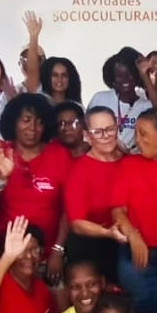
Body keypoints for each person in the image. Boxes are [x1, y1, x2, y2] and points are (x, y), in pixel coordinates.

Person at [0, 92, 69, 274]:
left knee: (57, 300)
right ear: (14, 122)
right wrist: (2, 178)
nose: (32, 127)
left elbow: (69, 209)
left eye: (39, 122)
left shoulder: (59, 155)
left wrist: (57, 251)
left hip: (47, 255)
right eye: (26, 120)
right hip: (7, 256)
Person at [113, 110, 157, 313]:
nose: (137, 140)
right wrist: (133, 235)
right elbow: (117, 211)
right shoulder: (129, 165)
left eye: (143, 134)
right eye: (136, 134)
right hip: (136, 255)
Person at [64, 105, 127, 278]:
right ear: (87, 136)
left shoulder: (129, 162)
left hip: (127, 245)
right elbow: (77, 223)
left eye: (110, 129)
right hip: (92, 248)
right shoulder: (79, 170)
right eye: (98, 132)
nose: (106, 136)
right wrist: (108, 233)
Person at [89, 47, 157, 151]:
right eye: (119, 76)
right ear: (112, 78)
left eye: (130, 74)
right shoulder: (100, 98)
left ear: (137, 75)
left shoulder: (146, 105)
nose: (125, 80)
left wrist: (145, 75)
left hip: (133, 160)